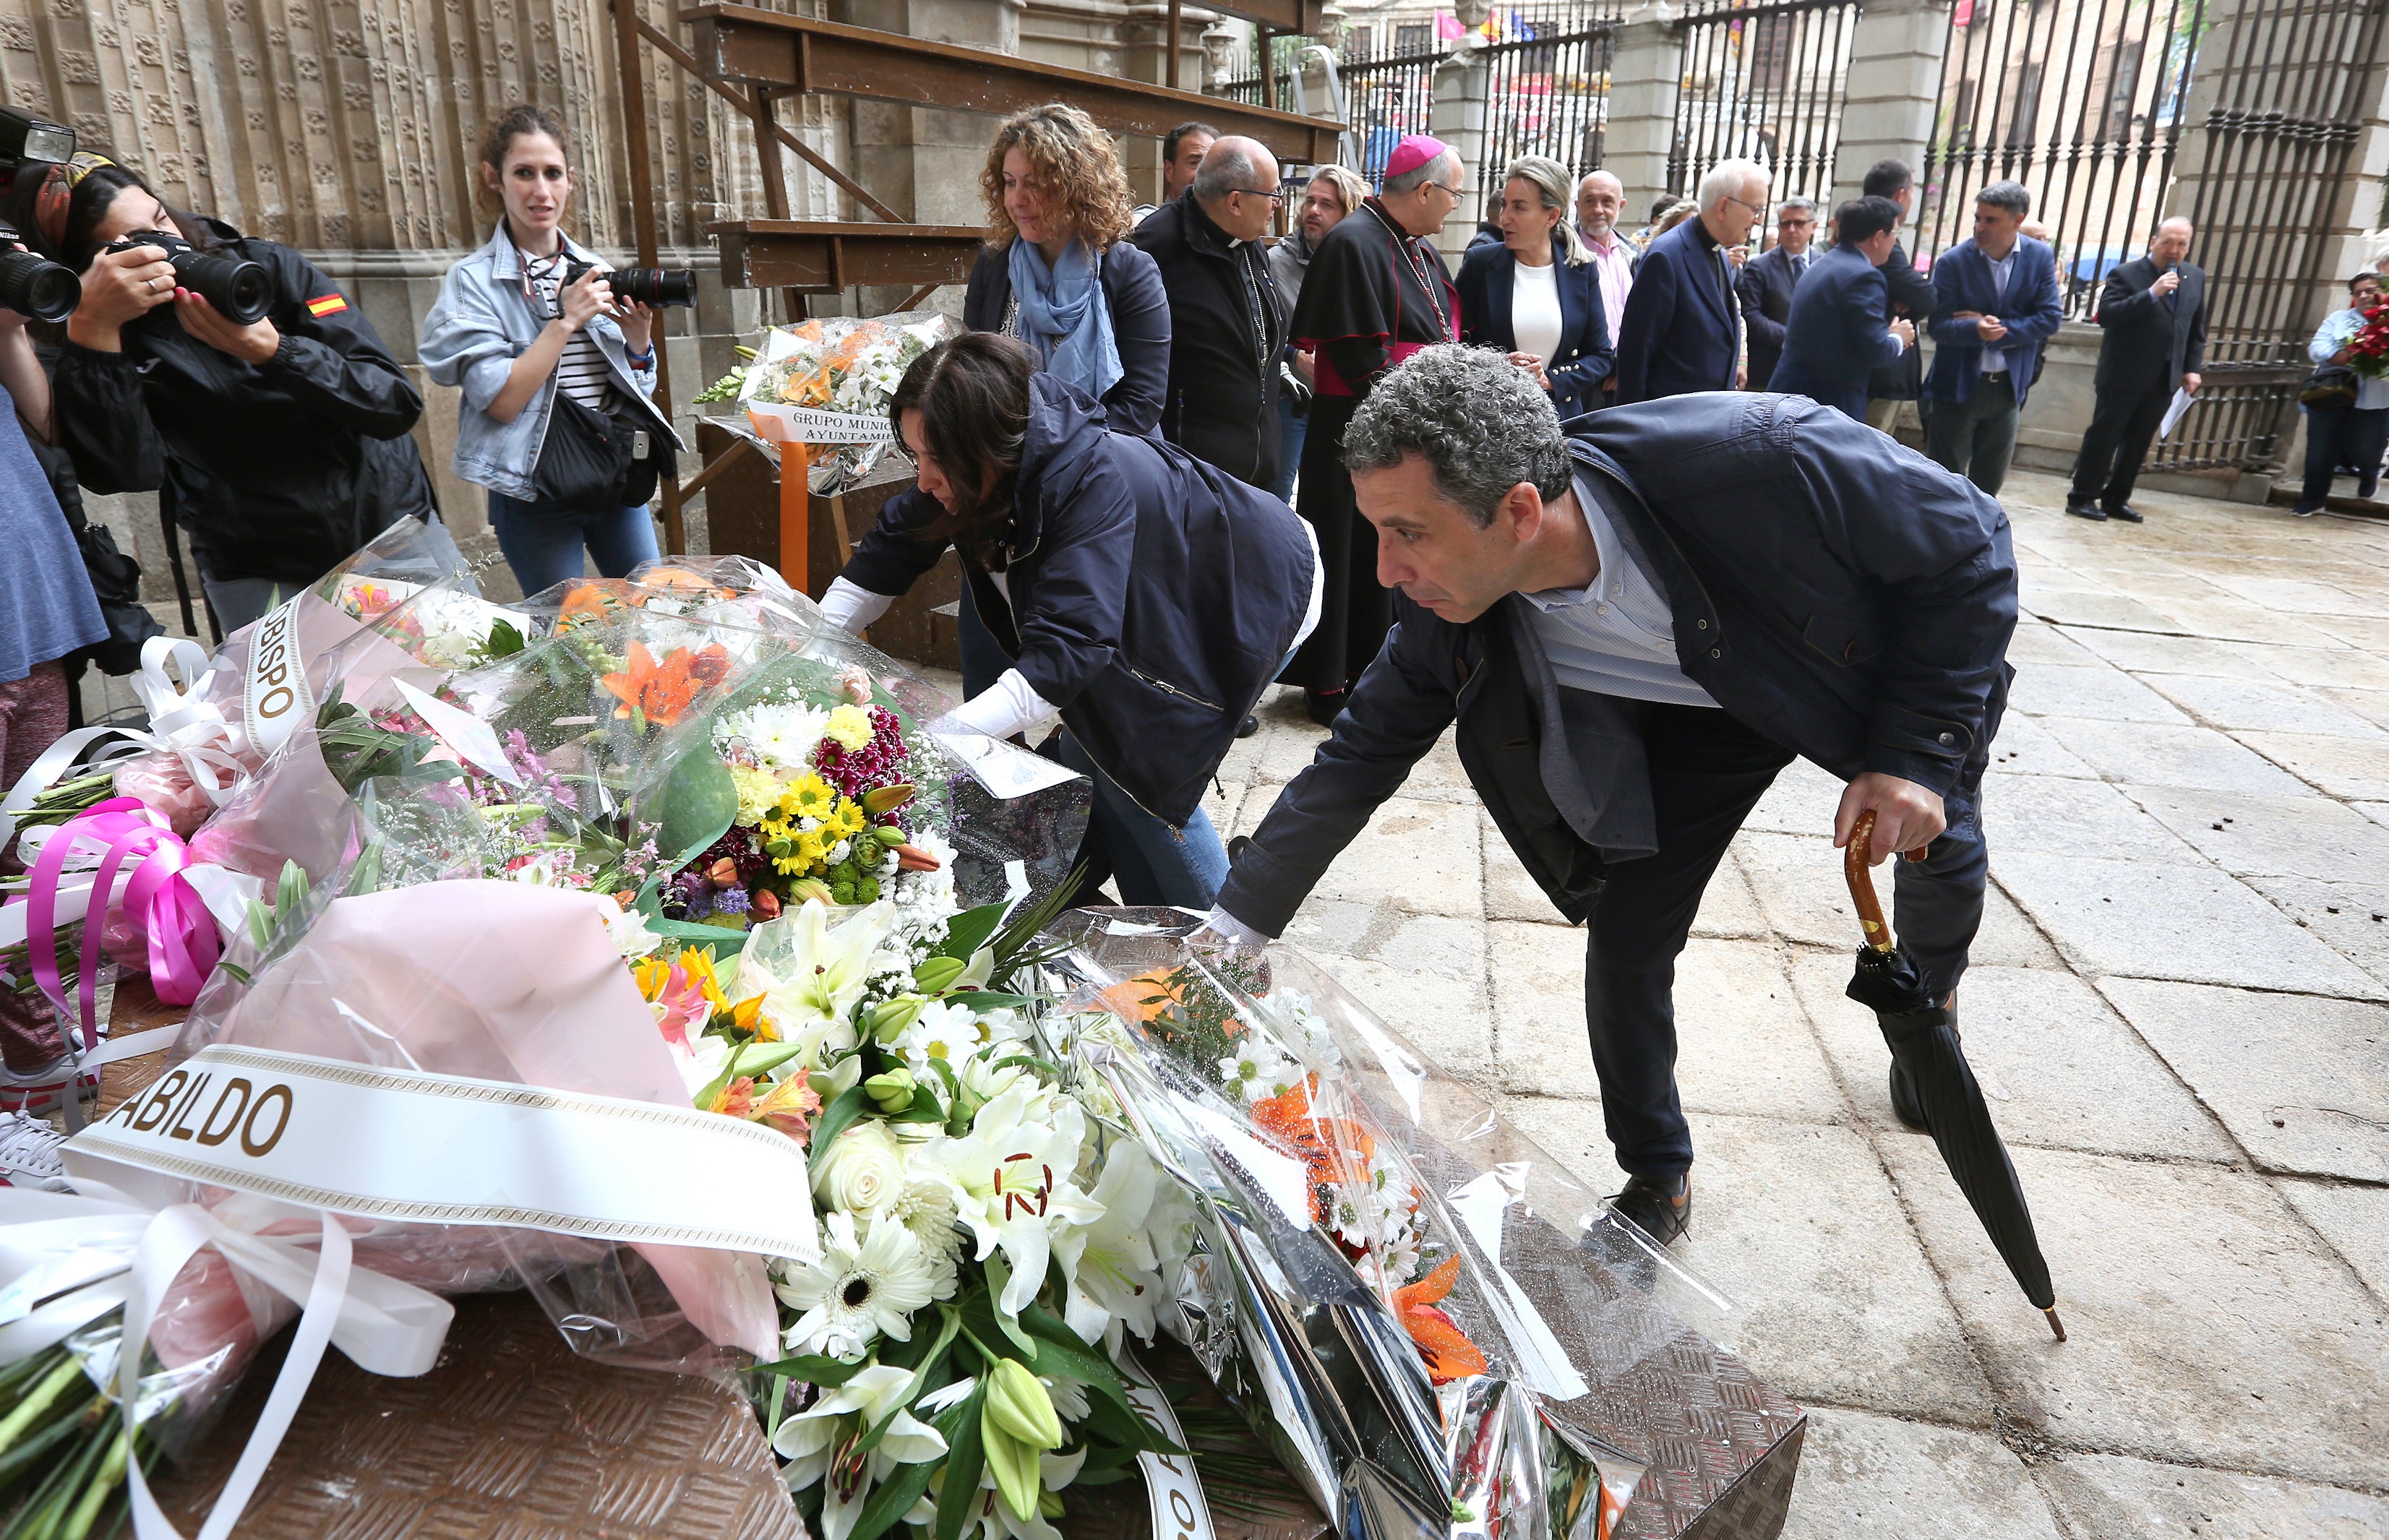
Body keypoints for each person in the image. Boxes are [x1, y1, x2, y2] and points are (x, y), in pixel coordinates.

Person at [1203, 345, 2014, 1246]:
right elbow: (1353, 760)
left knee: (1935, 852)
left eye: (1410, 532)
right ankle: (1658, 1170)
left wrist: (1914, 754)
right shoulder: (1449, 610)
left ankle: (1931, 1001)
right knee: (1628, 936)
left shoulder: (1760, 456)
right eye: (1377, 532)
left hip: (1855, 675)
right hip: (1700, 724)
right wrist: (1230, 933)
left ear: (1516, 510)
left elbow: (1972, 539)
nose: (1385, 570)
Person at [820, 333, 1318, 908]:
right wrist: (805, 643)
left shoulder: (1088, 481)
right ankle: (1134, 921)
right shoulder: (972, 471)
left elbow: (1064, 656)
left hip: (1252, 590)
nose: (925, 480)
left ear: (991, 446)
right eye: (916, 457)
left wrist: (931, 743)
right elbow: (885, 554)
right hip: (1155, 597)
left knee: (1141, 781)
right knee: (1097, 757)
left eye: (938, 460)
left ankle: (1222, 961)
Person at [49, 156, 434, 635]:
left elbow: (393, 402)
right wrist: (96, 332)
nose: (170, 244)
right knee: (307, 713)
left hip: (388, 530)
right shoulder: (102, 338)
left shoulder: (267, 268)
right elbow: (129, 472)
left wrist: (276, 352)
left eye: (161, 219)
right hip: (257, 566)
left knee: (458, 689)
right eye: (140, 242)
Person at [951, 103, 1170, 702]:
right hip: (1002, 498)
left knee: (1088, 676)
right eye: (1010, 182)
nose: (1020, 199)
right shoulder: (995, 267)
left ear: (1077, 185)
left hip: (1097, 494)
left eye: (1038, 184)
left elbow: (1142, 402)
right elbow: (975, 379)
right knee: (991, 659)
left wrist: (1053, 464)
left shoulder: (1128, 270)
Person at [420, 106, 679, 597]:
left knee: (653, 616)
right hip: (533, 487)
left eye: (552, 173)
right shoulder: (470, 282)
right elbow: (501, 400)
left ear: (570, 180)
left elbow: (633, 389)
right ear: (492, 178)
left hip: (612, 474)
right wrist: (565, 323)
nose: (541, 190)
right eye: (524, 173)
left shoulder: (594, 268)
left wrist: (638, 342)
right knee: (564, 641)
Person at [1284, 134, 1464, 725]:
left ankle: (1381, 673)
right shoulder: (1352, 242)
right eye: (1453, 195)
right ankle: (1332, 684)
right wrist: (1442, 375)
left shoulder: (1415, 247)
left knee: (1390, 558)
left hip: (1402, 431)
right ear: (1426, 189)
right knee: (1350, 556)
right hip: (1352, 436)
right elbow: (1363, 360)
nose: (1454, 207)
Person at [0, 243, 109, 1114]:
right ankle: (26, 1075)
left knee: (32, 855)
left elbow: (53, 424)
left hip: (29, 602)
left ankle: (44, 1051)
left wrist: (11, 329)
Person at [1130, 135, 1290, 490]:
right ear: (1235, 202)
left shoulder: (1249, 238)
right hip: (1191, 474)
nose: (1278, 205)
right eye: (1273, 194)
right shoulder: (1152, 248)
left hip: (1257, 464)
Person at [1923, 181, 2064, 494]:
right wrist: (1974, 329)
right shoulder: (1953, 262)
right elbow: (1938, 326)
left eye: (1991, 220)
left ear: (2018, 220)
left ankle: (1981, 540)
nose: (1980, 227)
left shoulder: (2039, 257)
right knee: (1945, 481)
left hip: (2008, 388)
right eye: (1978, 218)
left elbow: (2050, 318)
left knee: (1990, 483)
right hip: (1957, 386)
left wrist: (1996, 331)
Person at [2067, 216, 2205, 523]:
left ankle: (2117, 498)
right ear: (2154, 241)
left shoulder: (2194, 277)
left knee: (2140, 440)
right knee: (2105, 437)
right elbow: (2108, 316)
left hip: (2165, 376)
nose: (2174, 250)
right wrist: (2151, 294)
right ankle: (2082, 496)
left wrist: (2192, 368)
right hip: (2124, 373)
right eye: (2168, 242)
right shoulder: (2126, 274)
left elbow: (2195, 328)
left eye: (2182, 244)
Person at [1457, 155, 1613, 420]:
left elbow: (1600, 356)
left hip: (1558, 421)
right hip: (1488, 421)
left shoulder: (1581, 269)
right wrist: (1496, 367)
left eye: (1519, 208)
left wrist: (1550, 379)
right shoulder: (1480, 263)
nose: (1505, 218)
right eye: (1505, 206)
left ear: (1551, 216)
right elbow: (1452, 342)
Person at [1613, 160, 1767, 405]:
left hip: (1705, 419)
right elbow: (1636, 355)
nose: (1758, 220)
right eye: (1756, 209)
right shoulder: (1667, 256)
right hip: (1668, 424)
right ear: (1723, 206)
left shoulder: (1718, 252)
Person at [1266, 165, 1366, 504]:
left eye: (1327, 205)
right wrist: (1295, 358)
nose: (1313, 211)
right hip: (1293, 399)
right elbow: (1261, 332)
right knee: (1278, 498)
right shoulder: (1277, 263)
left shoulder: (1362, 263)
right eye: (1310, 201)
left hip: (1346, 403)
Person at [1770, 197, 1917, 423]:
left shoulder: (1823, 264)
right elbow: (1876, 351)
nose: (1895, 242)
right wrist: (1898, 336)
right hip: (1826, 407)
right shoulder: (1864, 277)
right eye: (1895, 233)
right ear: (1878, 237)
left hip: (1794, 396)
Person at [2293, 272, 2389, 516]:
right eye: (2359, 292)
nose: (2365, 295)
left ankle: (2368, 476)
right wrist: (2348, 356)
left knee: (2365, 448)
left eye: (2370, 290)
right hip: (2331, 393)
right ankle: (2313, 499)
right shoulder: (2339, 319)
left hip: (2375, 399)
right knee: (2320, 447)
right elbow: (2318, 348)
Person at [1858, 160, 1936, 434]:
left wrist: (1908, 303)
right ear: (1901, 195)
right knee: (1868, 453)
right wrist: (1909, 302)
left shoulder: (1866, 228)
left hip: (1878, 369)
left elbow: (1913, 292)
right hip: (1879, 371)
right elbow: (1926, 296)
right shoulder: (1880, 235)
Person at [1736, 195, 1817, 390]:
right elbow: (1751, 316)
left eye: (1799, 223)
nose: (1792, 229)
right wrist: (1791, 338)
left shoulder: (1825, 264)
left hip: (1814, 370)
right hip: (1770, 371)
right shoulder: (1759, 267)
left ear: (1814, 226)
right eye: (1786, 224)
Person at [1574, 170, 1638, 408]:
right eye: (1590, 201)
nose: (1598, 210)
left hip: (1624, 377)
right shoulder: (1562, 254)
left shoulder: (1633, 257)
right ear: (1578, 206)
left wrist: (1626, 367)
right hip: (1581, 380)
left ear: (1621, 206)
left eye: (1607, 201)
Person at [1134, 121, 1217, 224]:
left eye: (1213, 164)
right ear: (1169, 170)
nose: (1206, 172)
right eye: (1195, 163)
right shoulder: (1149, 221)